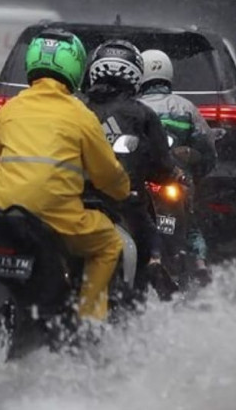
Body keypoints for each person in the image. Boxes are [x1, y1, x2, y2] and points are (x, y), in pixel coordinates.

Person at [0, 29, 130, 321]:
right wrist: (123, 192)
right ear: (75, 67)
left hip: (1, 216)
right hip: (56, 219)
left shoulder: (9, 110)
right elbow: (107, 174)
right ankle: (86, 321)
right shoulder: (81, 115)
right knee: (110, 244)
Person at [83, 40, 179, 296]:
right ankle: (147, 286)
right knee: (152, 243)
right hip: (124, 201)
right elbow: (162, 165)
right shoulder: (143, 115)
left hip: (72, 197)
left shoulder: (76, 108)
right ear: (135, 74)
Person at [137, 49, 217, 281]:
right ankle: (201, 265)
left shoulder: (133, 106)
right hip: (178, 180)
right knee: (190, 223)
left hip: (142, 181)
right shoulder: (187, 108)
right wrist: (196, 173)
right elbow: (207, 149)